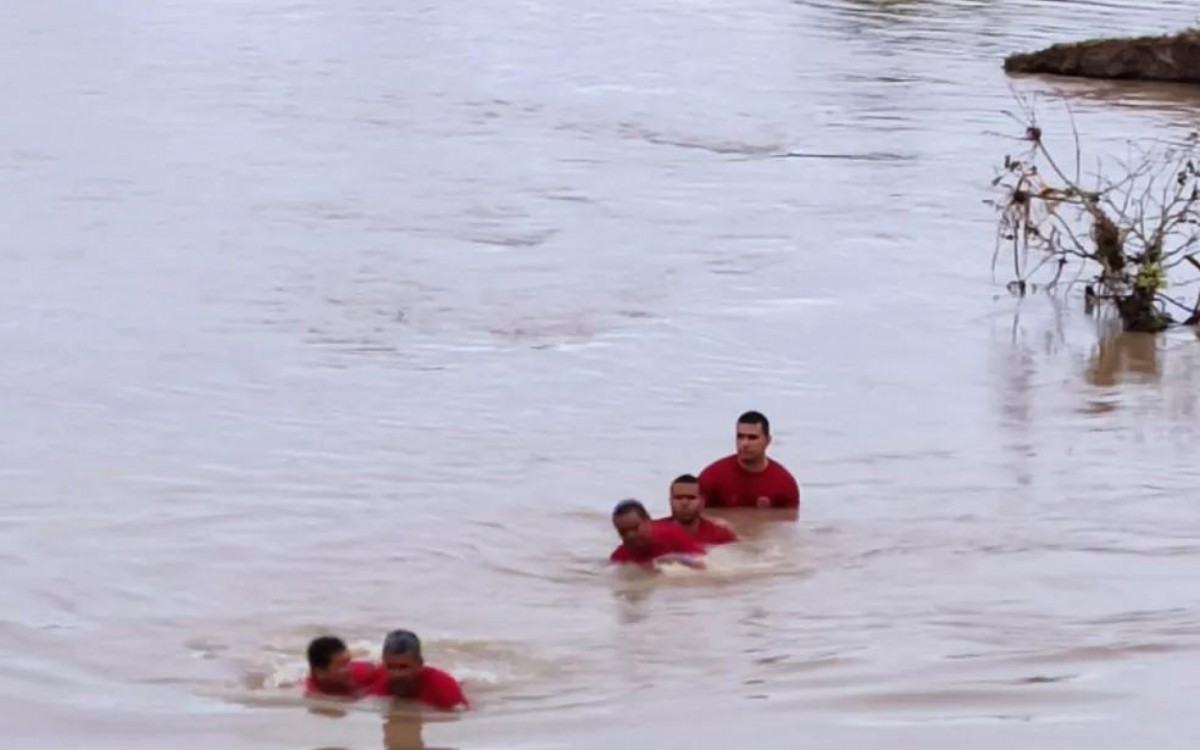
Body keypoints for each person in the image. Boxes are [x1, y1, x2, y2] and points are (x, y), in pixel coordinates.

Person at [698, 411, 800, 509]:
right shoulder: (712, 477)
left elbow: (790, 523)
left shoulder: (784, 483)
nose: (744, 444)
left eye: (752, 438)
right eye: (740, 437)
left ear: (768, 440)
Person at [368, 629, 469, 712]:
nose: (396, 674)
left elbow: (464, 714)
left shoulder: (443, 687)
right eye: (390, 667)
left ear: (420, 664)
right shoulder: (378, 677)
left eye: (403, 667)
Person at [609, 498, 706, 567]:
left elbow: (704, 563)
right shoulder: (619, 556)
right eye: (623, 532)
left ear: (648, 522)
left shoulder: (672, 535)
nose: (630, 535)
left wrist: (677, 559)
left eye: (634, 528)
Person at [655, 474, 737, 546]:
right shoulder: (653, 532)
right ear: (670, 501)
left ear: (702, 502)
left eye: (691, 498)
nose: (684, 503)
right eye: (678, 498)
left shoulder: (721, 536)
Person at [304, 635, 379, 698]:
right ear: (320, 672)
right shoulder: (310, 691)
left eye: (348, 662)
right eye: (340, 665)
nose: (349, 670)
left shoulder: (365, 672)